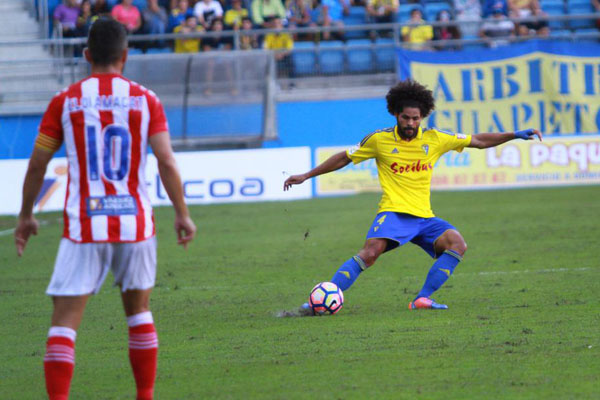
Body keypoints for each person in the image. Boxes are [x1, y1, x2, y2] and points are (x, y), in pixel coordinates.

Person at [14, 18, 196, 399]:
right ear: (125, 56)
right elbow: (166, 161)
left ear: (86, 56)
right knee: (139, 312)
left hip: (84, 226)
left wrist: (26, 215)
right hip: (136, 225)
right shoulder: (146, 99)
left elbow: (37, 164)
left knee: (64, 323)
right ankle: (144, 395)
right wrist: (182, 213)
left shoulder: (66, 100)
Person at [283, 79, 541, 313]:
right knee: (371, 253)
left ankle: (423, 299)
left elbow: (478, 140)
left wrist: (513, 135)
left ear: (423, 116)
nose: (410, 123)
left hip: (424, 217)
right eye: (406, 118)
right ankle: (320, 300)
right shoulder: (379, 140)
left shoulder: (436, 138)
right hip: (394, 211)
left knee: (457, 244)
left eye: (416, 118)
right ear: (396, 114)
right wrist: (307, 175)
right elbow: (343, 158)